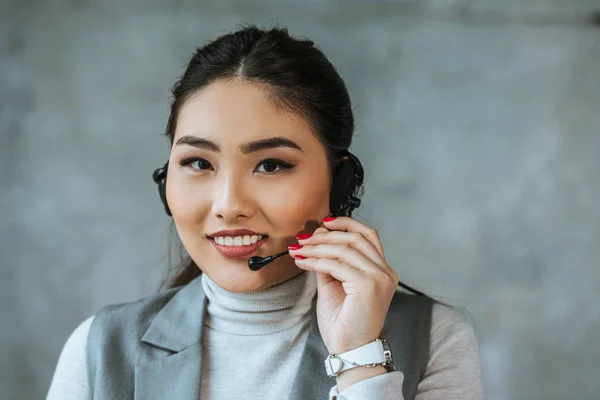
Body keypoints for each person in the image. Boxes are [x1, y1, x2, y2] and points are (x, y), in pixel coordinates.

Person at [46, 25, 484, 400]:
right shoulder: (99, 348)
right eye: (198, 163)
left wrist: (360, 359)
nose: (229, 205)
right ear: (166, 182)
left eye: (271, 164)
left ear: (341, 183)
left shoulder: (435, 338)